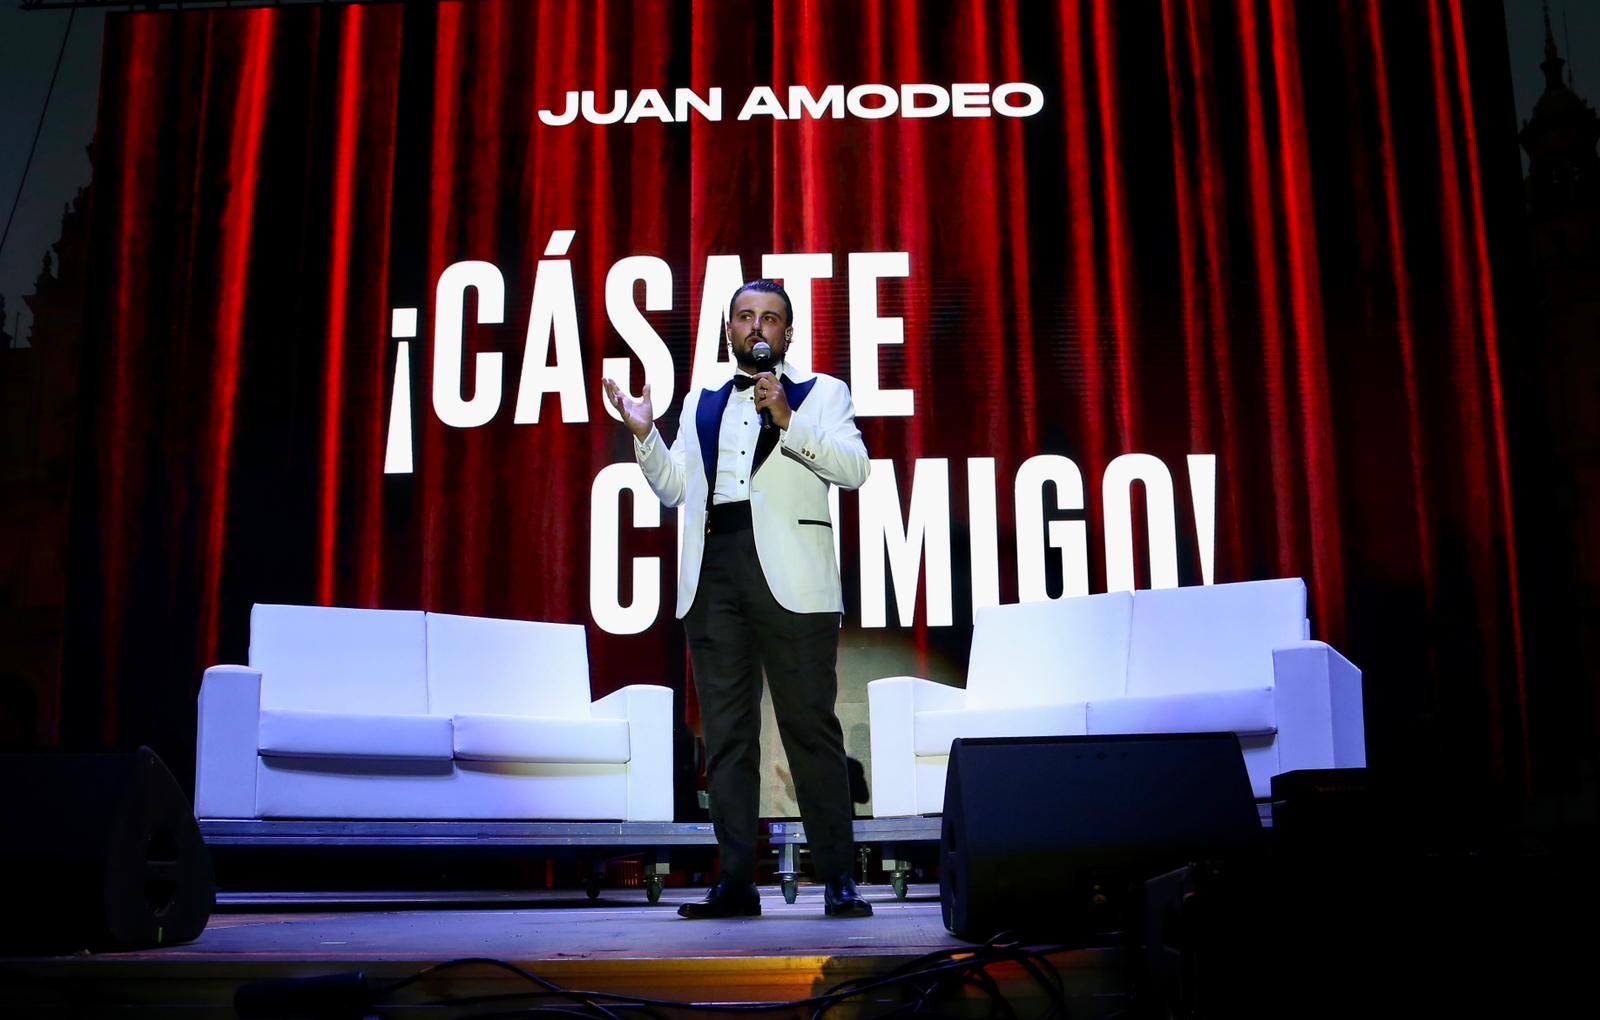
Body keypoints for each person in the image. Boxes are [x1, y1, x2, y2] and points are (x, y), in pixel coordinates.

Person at [602, 279, 873, 919]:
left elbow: (855, 469)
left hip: (792, 580)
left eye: (770, 319)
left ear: (788, 334)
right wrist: (645, 436)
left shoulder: (821, 394)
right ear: (728, 332)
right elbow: (674, 490)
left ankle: (838, 877)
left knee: (811, 730)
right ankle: (734, 882)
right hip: (712, 574)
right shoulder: (702, 400)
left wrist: (788, 418)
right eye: (745, 317)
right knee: (727, 738)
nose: (758, 327)